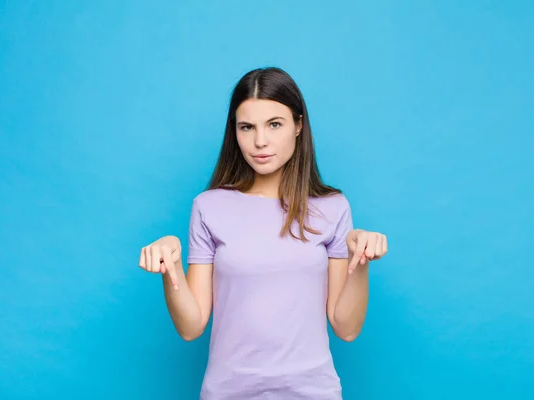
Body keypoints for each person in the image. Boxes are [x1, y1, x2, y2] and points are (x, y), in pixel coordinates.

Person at [138, 67, 388, 400]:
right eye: (247, 127)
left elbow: (346, 327)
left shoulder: (333, 208)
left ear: (298, 125)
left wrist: (362, 261)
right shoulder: (208, 207)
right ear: (235, 132)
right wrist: (171, 267)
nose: (260, 141)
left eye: (274, 124)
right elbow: (191, 326)